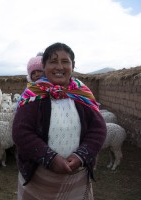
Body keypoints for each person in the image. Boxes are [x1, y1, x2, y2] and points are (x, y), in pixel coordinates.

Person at [12, 42, 107, 200]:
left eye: (65, 62)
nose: (59, 67)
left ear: (73, 65)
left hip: (77, 178)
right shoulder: (33, 94)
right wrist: (50, 158)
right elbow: (21, 132)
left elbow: (98, 129)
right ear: (44, 65)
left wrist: (81, 156)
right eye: (53, 61)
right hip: (39, 179)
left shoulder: (82, 93)